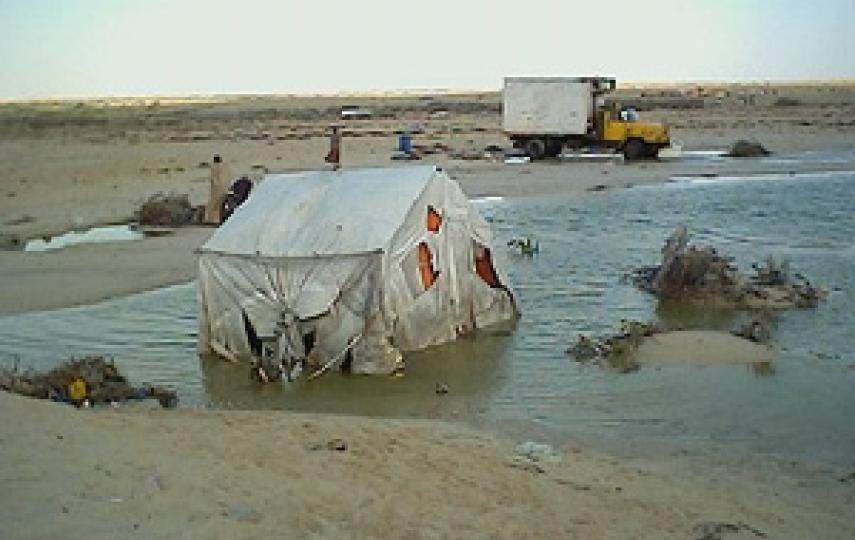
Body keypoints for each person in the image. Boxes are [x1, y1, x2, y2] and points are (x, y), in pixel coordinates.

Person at [205, 154, 231, 224]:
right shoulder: (224, 167)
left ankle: (211, 219)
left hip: (217, 189)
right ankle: (216, 219)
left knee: (214, 204)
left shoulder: (214, 167)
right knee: (219, 204)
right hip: (222, 188)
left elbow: (213, 179)